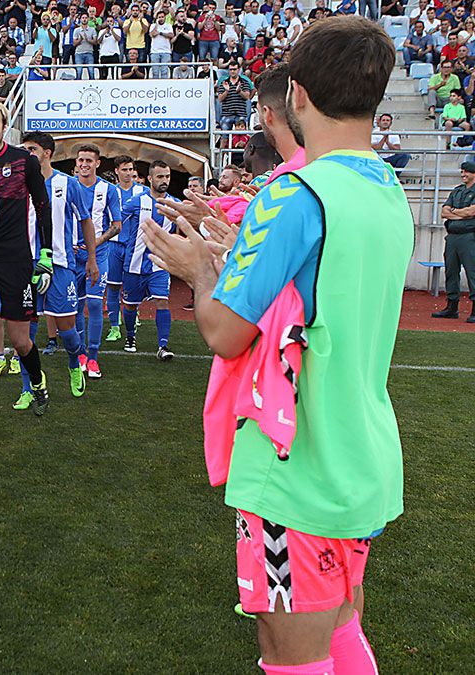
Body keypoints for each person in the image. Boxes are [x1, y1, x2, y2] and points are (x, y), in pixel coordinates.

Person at [143, 16, 409, 673]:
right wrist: (235, 254)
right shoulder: (388, 188)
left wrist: (199, 269)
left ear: (297, 94)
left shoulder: (295, 193)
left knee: (290, 653)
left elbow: (225, 332)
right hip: (363, 455)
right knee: (343, 628)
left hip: (300, 470)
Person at [0, 99, 53, 414]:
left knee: (20, 340)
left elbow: (43, 208)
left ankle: (36, 381)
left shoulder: (24, 160)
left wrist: (45, 254)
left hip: (16, 258)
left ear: (4, 127)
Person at [20, 131, 97, 397]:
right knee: (24, 334)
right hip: (25, 265)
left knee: (67, 329)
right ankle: (28, 388)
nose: (26, 153)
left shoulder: (67, 183)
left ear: (47, 153)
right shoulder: (18, 184)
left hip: (61, 265)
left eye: (31, 149)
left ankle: (75, 361)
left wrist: (92, 259)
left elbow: (85, 220)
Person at [72, 144, 122, 379]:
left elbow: (117, 225)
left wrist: (96, 242)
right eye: (81, 160)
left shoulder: (108, 190)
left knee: (93, 304)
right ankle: (80, 352)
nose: (84, 164)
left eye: (89, 161)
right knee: (75, 306)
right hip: (72, 255)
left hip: (99, 254)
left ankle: (93, 357)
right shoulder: (69, 186)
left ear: (98, 163)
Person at [120, 161, 177, 360]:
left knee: (163, 301)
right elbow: (117, 223)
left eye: (167, 176)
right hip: (134, 263)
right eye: (160, 176)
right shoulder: (135, 202)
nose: (165, 180)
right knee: (129, 305)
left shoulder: (174, 204)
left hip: (159, 264)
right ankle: (130, 336)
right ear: (150, 178)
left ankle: (163, 346)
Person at [106, 155, 148, 343]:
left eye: (131, 169)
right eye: (124, 169)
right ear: (116, 171)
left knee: (133, 286)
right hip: (114, 245)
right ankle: (114, 326)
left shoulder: (142, 191)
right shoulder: (109, 191)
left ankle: (133, 314)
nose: (128, 173)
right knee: (113, 286)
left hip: (135, 247)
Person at [432, 159, 475, 320]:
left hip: (469, 236)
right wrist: (460, 213)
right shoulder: (457, 191)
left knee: (472, 272)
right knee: (451, 271)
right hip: (453, 237)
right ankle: (452, 307)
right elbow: (444, 212)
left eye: (467, 172)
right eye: (462, 172)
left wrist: (456, 212)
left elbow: (472, 212)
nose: (463, 175)